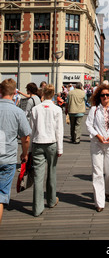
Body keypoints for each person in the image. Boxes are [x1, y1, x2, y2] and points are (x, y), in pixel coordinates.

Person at [86, 83, 109, 212]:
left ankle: (108, 191)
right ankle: (99, 202)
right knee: (97, 173)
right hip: (97, 144)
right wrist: (97, 135)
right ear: (99, 97)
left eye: (107, 95)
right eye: (103, 95)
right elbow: (89, 125)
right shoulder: (94, 109)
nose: (105, 97)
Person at [29, 84, 64, 217]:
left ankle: (37, 208)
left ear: (42, 93)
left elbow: (31, 130)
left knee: (38, 176)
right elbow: (59, 130)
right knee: (52, 172)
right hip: (52, 143)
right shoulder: (56, 109)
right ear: (54, 94)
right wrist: (60, 148)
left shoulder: (36, 109)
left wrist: (30, 149)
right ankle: (51, 200)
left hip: (38, 142)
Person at [0, 78, 31, 224]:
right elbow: (26, 138)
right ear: (14, 93)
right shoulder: (18, 112)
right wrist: (24, 154)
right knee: (1, 194)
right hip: (8, 158)